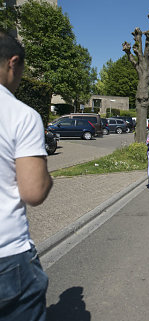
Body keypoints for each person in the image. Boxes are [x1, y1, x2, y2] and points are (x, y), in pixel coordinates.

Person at [0, 32, 53, 321]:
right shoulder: (20, 114)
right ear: (13, 63)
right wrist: (48, 177)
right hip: (6, 255)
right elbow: (33, 191)